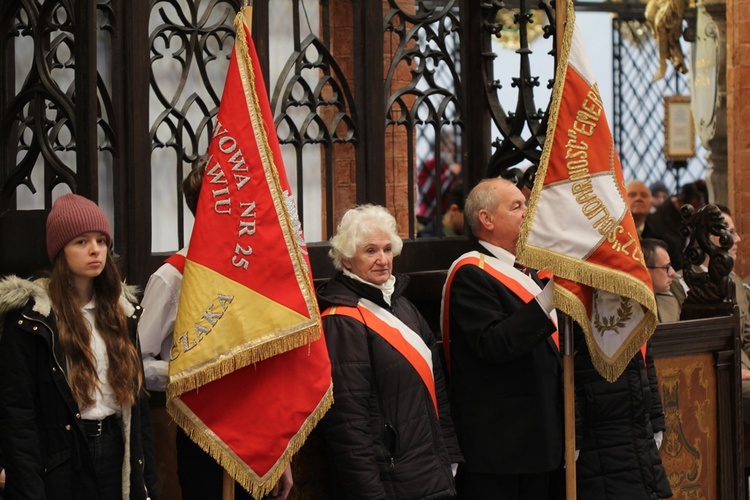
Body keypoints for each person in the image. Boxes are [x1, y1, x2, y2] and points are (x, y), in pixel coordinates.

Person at [137, 159, 292, 500]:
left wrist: (281, 451)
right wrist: (199, 370)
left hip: (258, 435)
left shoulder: (252, 274)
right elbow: (138, 363)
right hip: (202, 432)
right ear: (207, 209)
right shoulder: (173, 277)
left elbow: (270, 365)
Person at [0, 193, 159, 499]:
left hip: (117, 450)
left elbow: (139, 413)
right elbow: (18, 415)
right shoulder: (32, 320)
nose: (95, 250)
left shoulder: (122, 312)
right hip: (63, 455)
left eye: (101, 240)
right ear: (60, 251)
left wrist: (147, 484)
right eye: (81, 242)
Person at [317, 204, 462, 498]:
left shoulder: (402, 304)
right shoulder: (341, 320)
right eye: (370, 251)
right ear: (346, 257)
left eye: (387, 249)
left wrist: (450, 457)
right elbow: (348, 428)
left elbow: (438, 391)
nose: (383, 260)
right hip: (390, 483)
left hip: (430, 473)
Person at [441, 178, 562, 499]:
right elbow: (494, 344)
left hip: (540, 441)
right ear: (487, 219)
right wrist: (549, 299)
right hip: (499, 449)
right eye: (517, 206)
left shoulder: (528, 271)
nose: (528, 211)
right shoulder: (472, 273)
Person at [573, 337, 673, 499]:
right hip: (595, 438)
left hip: (637, 435)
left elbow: (646, 360)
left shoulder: (633, 319)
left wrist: (656, 419)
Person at [416, 129, 462, 231]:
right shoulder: (431, 164)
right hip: (429, 218)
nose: (454, 149)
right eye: (450, 145)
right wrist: (449, 175)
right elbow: (427, 190)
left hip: (453, 218)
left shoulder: (461, 166)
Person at [642, 238, 681, 323]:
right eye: (666, 267)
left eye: (670, 265)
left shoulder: (671, 302)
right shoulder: (624, 309)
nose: (672, 272)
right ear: (646, 270)